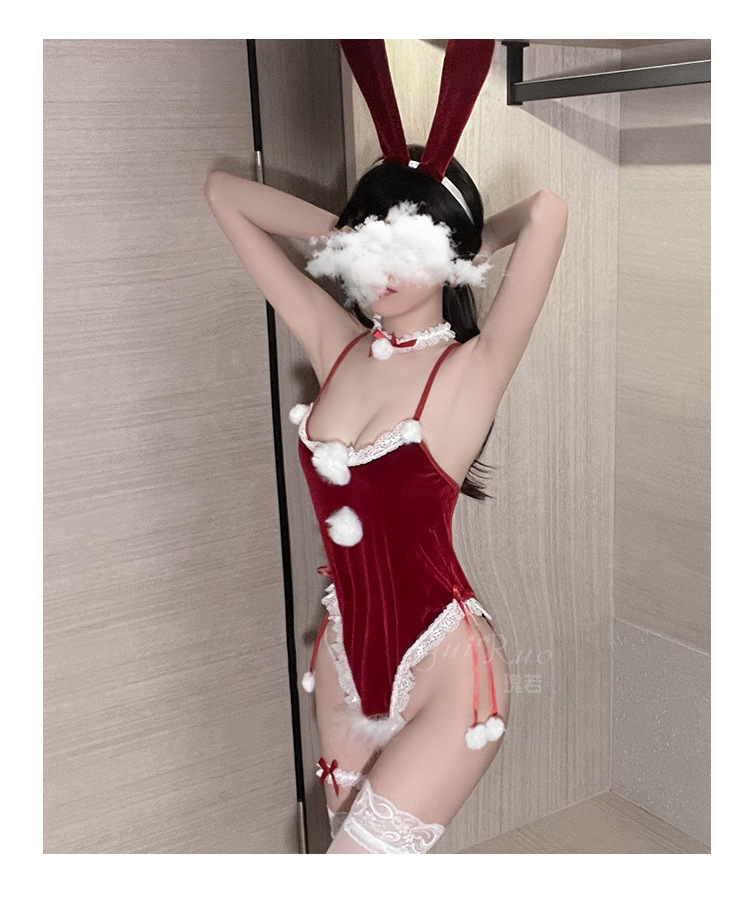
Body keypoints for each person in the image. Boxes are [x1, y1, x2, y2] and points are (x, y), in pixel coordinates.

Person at [205, 40, 568, 854]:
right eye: (366, 251)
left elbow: (547, 212)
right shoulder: (334, 342)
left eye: (407, 251)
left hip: (448, 669)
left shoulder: (472, 369)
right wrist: (358, 228)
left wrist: (462, 243)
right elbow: (225, 196)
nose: (381, 270)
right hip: (344, 657)